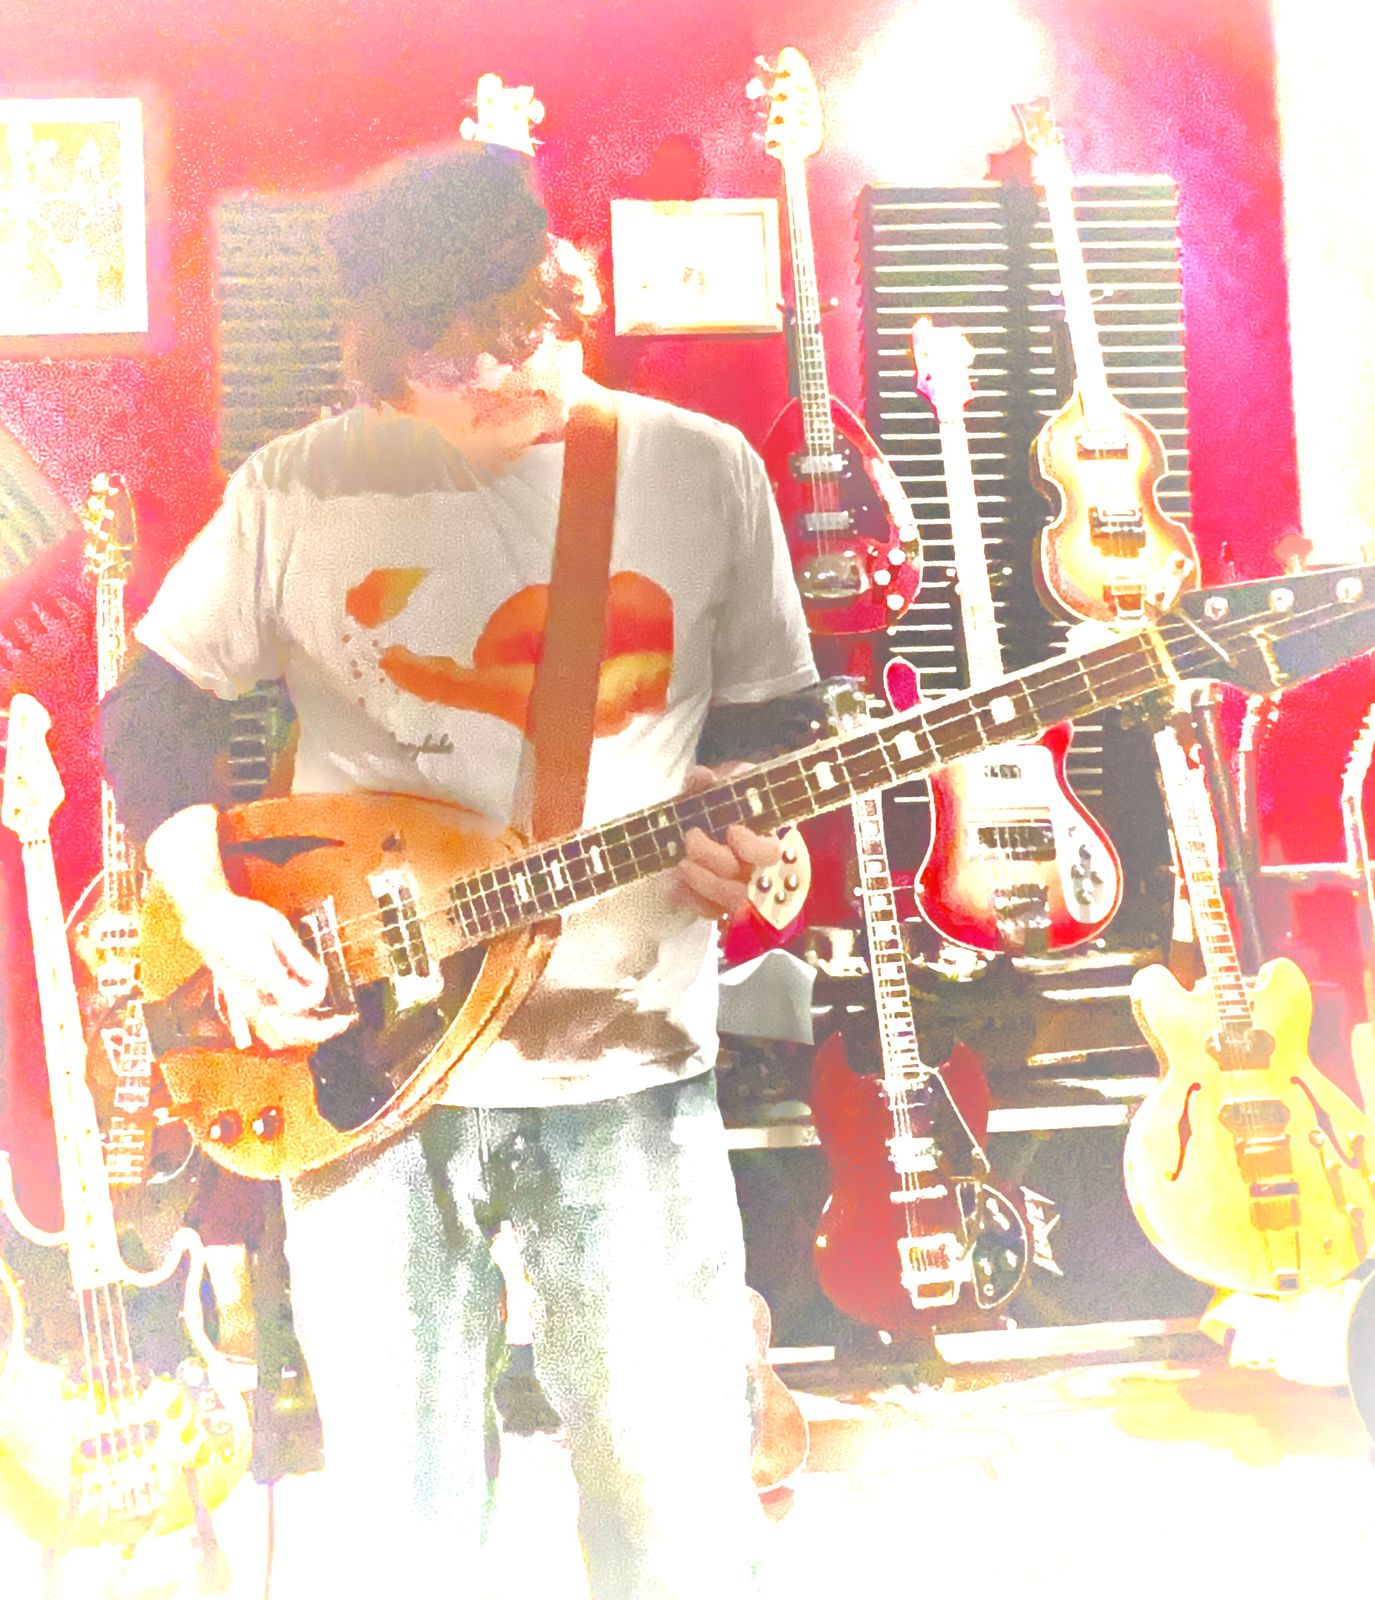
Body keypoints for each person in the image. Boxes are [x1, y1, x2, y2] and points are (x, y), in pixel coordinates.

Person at [101, 140, 819, 1599]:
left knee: (675, 1510)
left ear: (562, 289)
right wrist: (216, 909)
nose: (496, 376)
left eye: (520, 332)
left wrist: (745, 838)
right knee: (404, 1521)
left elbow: (770, 731)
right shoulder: (301, 488)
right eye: (445, 360)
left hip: (627, 1066)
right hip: (358, 1080)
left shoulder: (699, 471)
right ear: (380, 359)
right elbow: (149, 715)